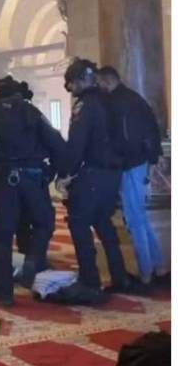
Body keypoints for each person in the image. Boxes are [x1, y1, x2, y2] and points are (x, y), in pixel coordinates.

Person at [56, 58, 145, 299]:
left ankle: (89, 281)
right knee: (103, 222)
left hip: (93, 173)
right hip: (113, 172)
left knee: (78, 222)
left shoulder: (86, 105)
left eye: (70, 83)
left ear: (79, 81)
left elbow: (77, 143)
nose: (70, 89)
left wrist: (65, 173)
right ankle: (119, 276)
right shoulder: (110, 99)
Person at [0, 76, 67, 306]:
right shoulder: (31, 112)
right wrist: (52, 172)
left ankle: (5, 293)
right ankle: (33, 260)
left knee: (1, 237)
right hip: (33, 178)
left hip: (3, 180)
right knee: (44, 223)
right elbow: (56, 142)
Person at [97, 66, 168, 286]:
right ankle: (159, 266)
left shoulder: (117, 102)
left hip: (131, 164)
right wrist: (153, 157)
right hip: (141, 161)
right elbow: (151, 128)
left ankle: (146, 271)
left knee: (134, 219)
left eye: (100, 83)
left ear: (107, 81)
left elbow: (123, 138)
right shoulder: (134, 98)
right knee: (141, 218)